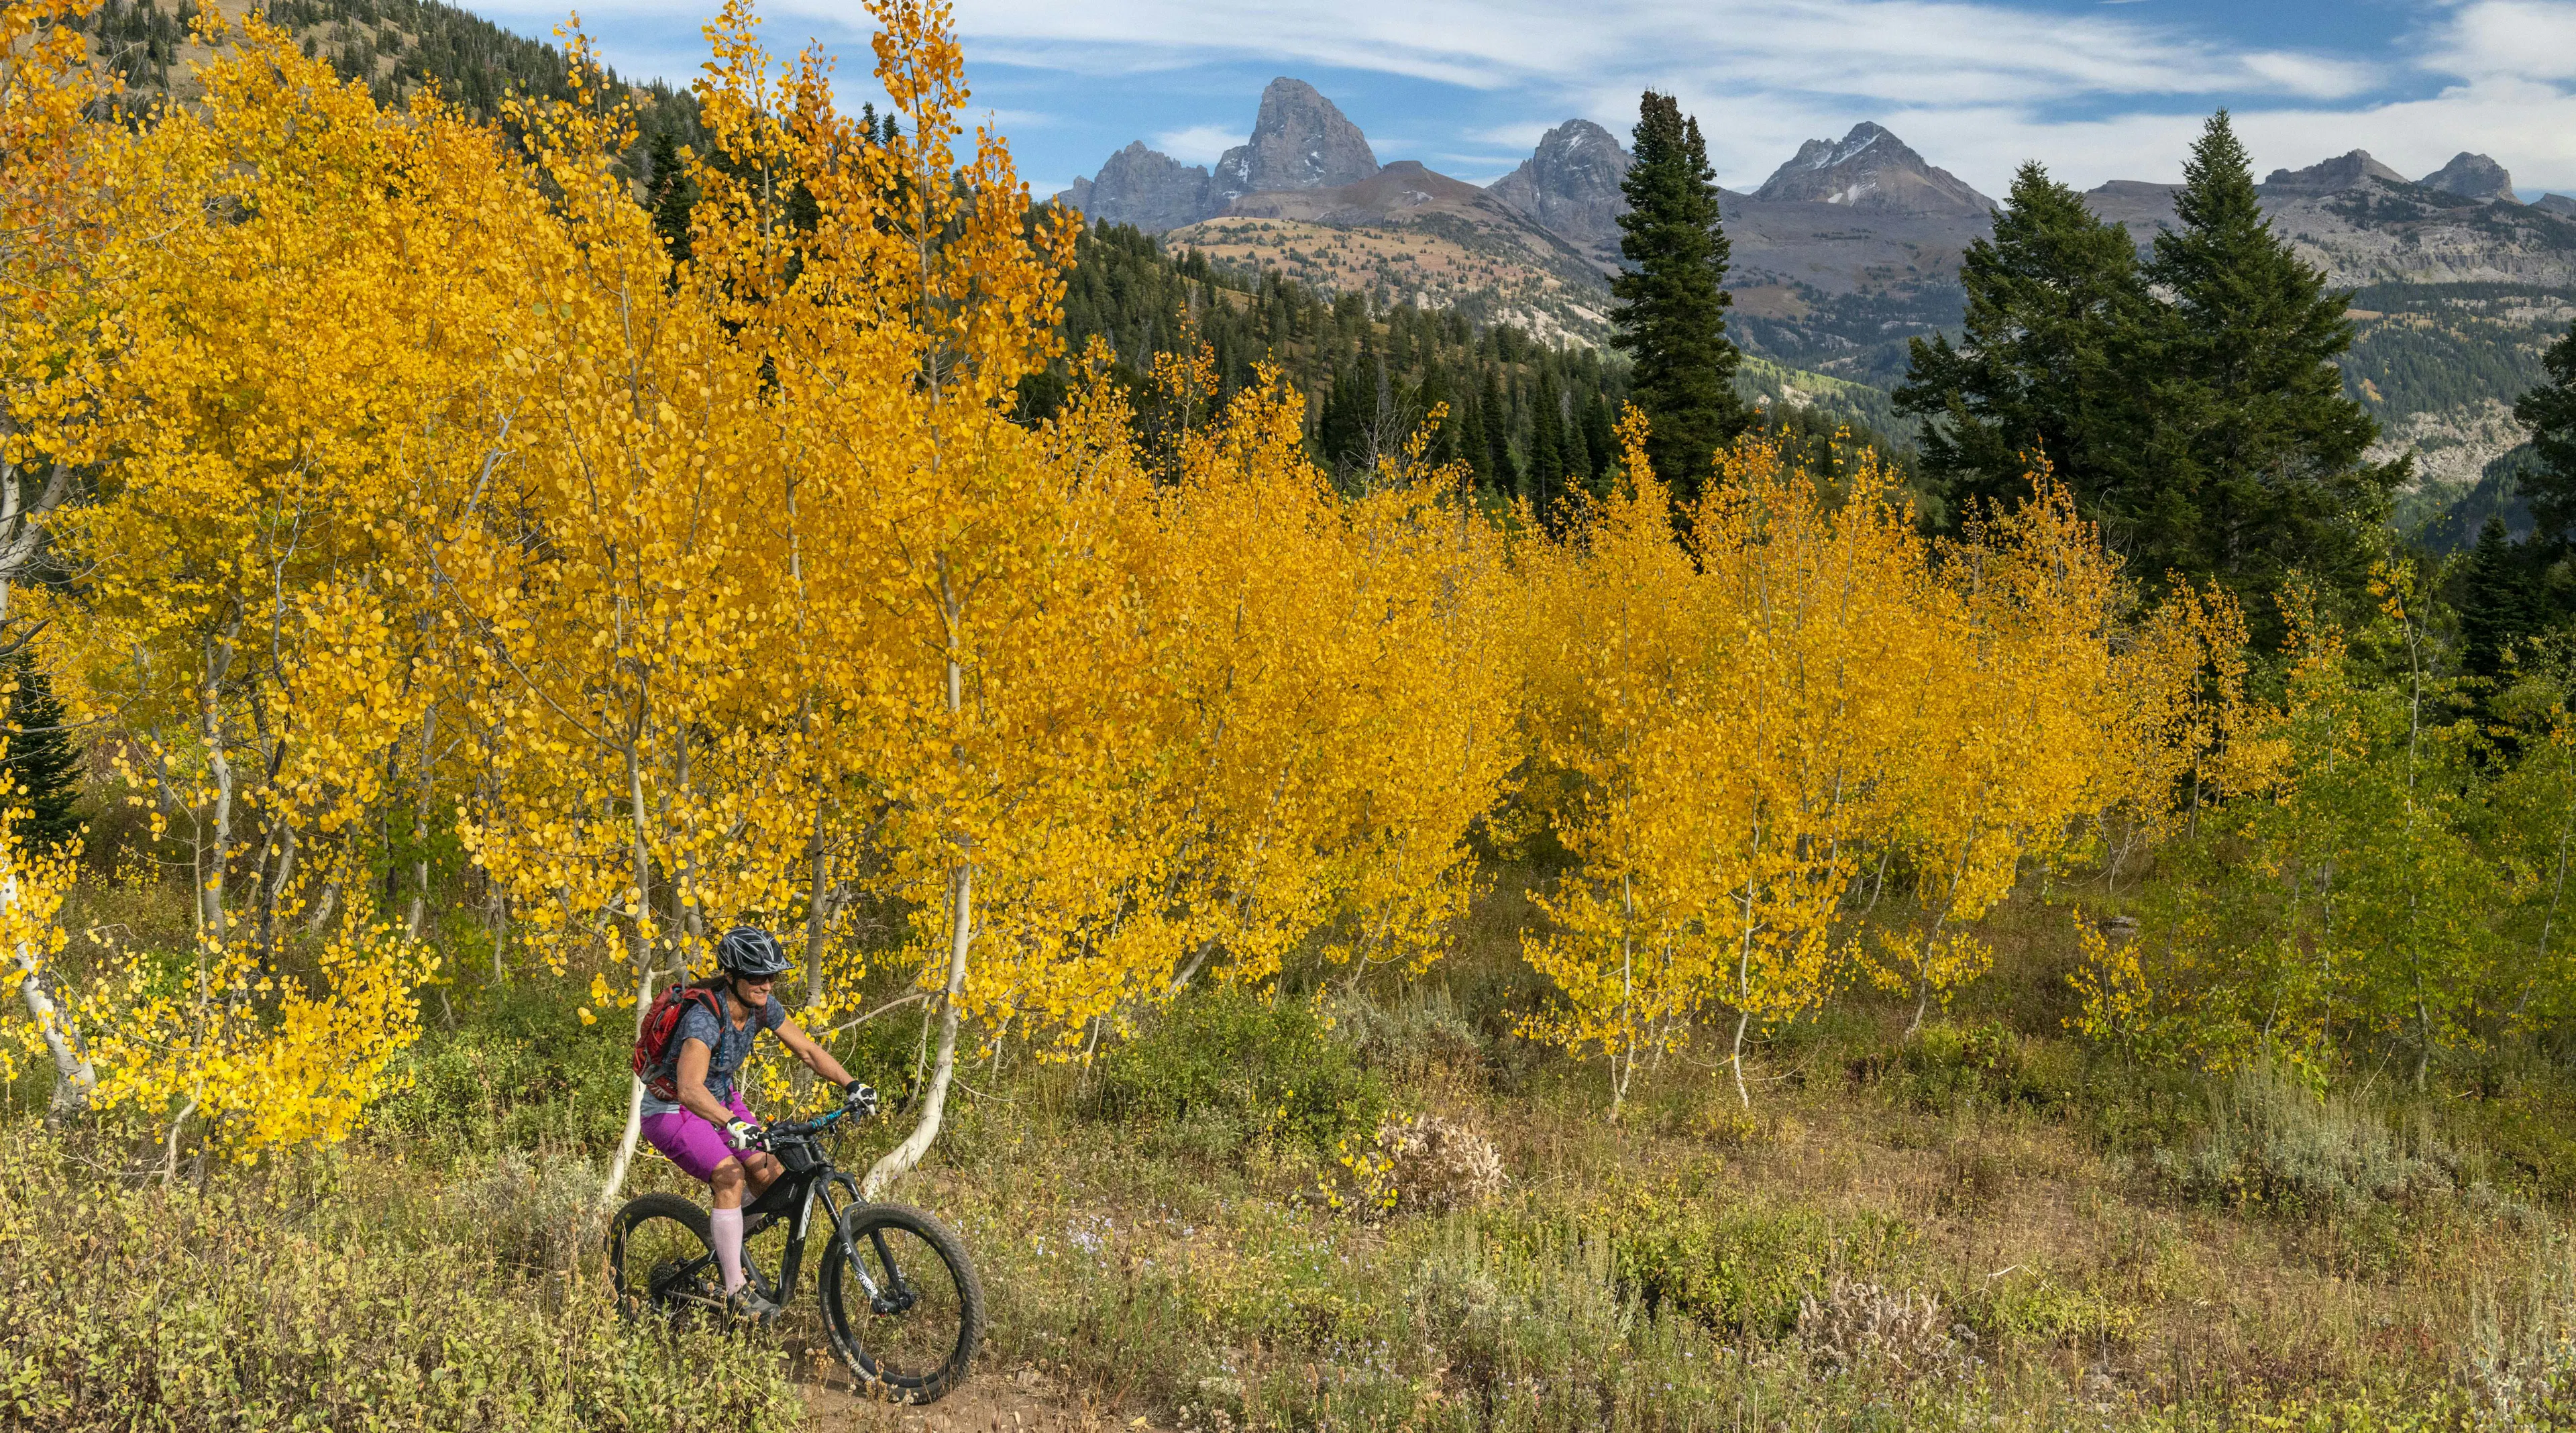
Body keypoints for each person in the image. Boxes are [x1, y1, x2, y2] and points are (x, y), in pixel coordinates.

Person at [641, 924, 877, 1319]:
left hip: (720, 1102)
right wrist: (733, 1125)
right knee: (730, 1176)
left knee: (769, 1178)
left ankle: (724, 1247)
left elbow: (807, 1051)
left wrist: (852, 1085)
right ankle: (735, 1292)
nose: (767, 984)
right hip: (672, 1109)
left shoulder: (762, 1007)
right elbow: (689, 1089)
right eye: (758, 976)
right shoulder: (704, 1018)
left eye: (772, 975)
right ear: (731, 977)